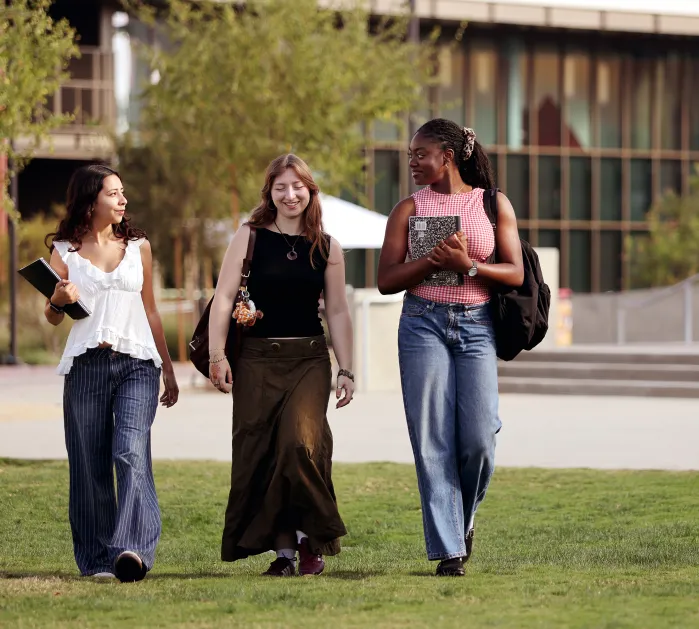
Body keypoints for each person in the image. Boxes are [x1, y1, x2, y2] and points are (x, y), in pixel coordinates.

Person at [377, 118, 524, 576]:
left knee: (479, 441)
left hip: (476, 326)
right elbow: (385, 280)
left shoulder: (493, 204)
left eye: (421, 154)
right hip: (423, 326)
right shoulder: (408, 209)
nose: (413, 162)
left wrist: (469, 265)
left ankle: (465, 516)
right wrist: (430, 262)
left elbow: (516, 272)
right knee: (432, 440)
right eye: (410, 156)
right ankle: (449, 550)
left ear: (448, 156)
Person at [208, 153, 355, 577]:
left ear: (310, 191)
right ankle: (285, 553)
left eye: (298, 187)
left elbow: (339, 312)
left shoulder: (327, 246)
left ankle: (314, 538)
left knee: (299, 445)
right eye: (280, 188)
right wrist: (218, 355)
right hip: (255, 361)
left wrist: (346, 368)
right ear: (269, 194)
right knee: (264, 455)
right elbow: (222, 298)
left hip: (309, 359)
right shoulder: (249, 236)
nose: (290, 195)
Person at [44, 164, 179, 582]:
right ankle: (98, 560)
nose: (123, 200)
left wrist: (169, 368)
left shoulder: (139, 247)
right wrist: (57, 298)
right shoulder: (64, 251)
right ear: (91, 199)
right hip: (85, 366)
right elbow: (52, 318)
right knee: (89, 464)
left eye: (123, 193)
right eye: (113, 193)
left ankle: (133, 550)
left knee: (129, 449)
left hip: (137, 364)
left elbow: (152, 310)